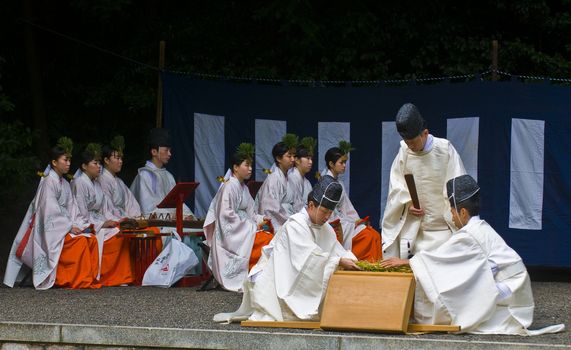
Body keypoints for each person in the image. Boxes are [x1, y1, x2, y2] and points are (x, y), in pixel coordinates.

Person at [380, 175, 565, 335]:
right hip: (514, 285)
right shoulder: (480, 227)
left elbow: (438, 261)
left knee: (445, 291)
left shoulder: (470, 235)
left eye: (452, 211)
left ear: (462, 211)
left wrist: (407, 262)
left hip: (510, 290)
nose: (451, 217)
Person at [214, 175, 360, 323]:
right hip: (275, 279)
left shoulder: (325, 228)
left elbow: (337, 250)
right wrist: (338, 261)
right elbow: (308, 259)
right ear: (311, 206)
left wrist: (351, 260)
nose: (327, 217)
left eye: (330, 213)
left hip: (292, 276)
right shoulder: (295, 225)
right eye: (324, 211)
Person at [4, 137, 101, 290]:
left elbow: (73, 209)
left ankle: (87, 278)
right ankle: (75, 279)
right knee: (80, 241)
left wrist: (78, 225)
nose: (68, 163)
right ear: (54, 162)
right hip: (49, 230)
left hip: (63, 226)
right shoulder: (48, 182)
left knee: (91, 239)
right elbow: (50, 212)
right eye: (65, 160)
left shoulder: (65, 184)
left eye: (69, 160)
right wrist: (69, 227)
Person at [381, 103, 465, 259]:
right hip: (416, 231)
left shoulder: (444, 150)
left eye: (412, 142)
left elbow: (457, 187)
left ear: (425, 133)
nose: (410, 147)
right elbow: (396, 188)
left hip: (444, 230)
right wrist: (408, 204)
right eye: (407, 143)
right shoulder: (404, 152)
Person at [203, 143, 274, 292]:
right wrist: (252, 227)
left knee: (270, 238)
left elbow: (251, 213)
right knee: (266, 241)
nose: (250, 169)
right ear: (235, 167)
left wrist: (262, 219)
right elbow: (226, 216)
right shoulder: (228, 186)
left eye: (251, 165)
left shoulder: (244, 188)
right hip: (230, 236)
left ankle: (263, 278)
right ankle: (257, 277)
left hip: (244, 230)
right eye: (246, 165)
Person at [71, 143, 133, 286]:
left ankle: (119, 277)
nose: (99, 166)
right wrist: (102, 224)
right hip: (87, 223)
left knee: (119, 230)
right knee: (117, 235)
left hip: (99, 219)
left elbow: (106, 208)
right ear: (84, 166)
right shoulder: (79, 183)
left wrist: (116, 219)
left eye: (99, 163)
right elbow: (80, 212)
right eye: (95, 163)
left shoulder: (96, 183)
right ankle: (108, 277)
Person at [322, 142, 382, 262]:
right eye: (341, 163)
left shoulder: (339, 183)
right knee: (368, 235)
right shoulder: (326, 183)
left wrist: (357, 221)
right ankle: (365, 263)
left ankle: (376, 266)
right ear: (331, 164)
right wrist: (350, 223)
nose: (344, 166)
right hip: (333, 223)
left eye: (345, 162)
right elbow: (327, 212)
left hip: (343, 221)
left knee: (374, 234)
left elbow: (346, 207)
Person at [130, 128, 194, 219]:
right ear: (154, 152)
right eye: (166, 150)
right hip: (154, 223)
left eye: (170, 150)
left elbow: (177, 201)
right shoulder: (144, 175)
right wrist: (174, 215)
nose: (169, 154)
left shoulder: (168, 175)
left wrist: (187, 215)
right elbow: (148, 209)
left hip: (170, 220)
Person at [255, 133, 297, 232]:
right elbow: (270, 209)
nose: (292, 159)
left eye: (293, 156)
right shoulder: (273, 179)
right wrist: (291, 220)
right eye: (289, 156)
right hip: (280, 221)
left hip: (289, 218)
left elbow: (297, 203)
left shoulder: (289, 178)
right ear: (278, 158)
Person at [98, 135, 142, 218]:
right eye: (117, 158)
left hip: (124, 218)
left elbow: (130, 203)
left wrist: (136, 217)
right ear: (106, 160)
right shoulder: (102, 179)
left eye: (121, 158)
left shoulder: (119, 182)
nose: (121, 161)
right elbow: (107, 208)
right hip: (112, 219)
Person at [288, 137, 315, 213]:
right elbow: (296, 206)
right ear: (296, 160)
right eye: (308, 158)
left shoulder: (307, 182)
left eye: (311, 159)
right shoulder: (292, 177)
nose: (311, 162)